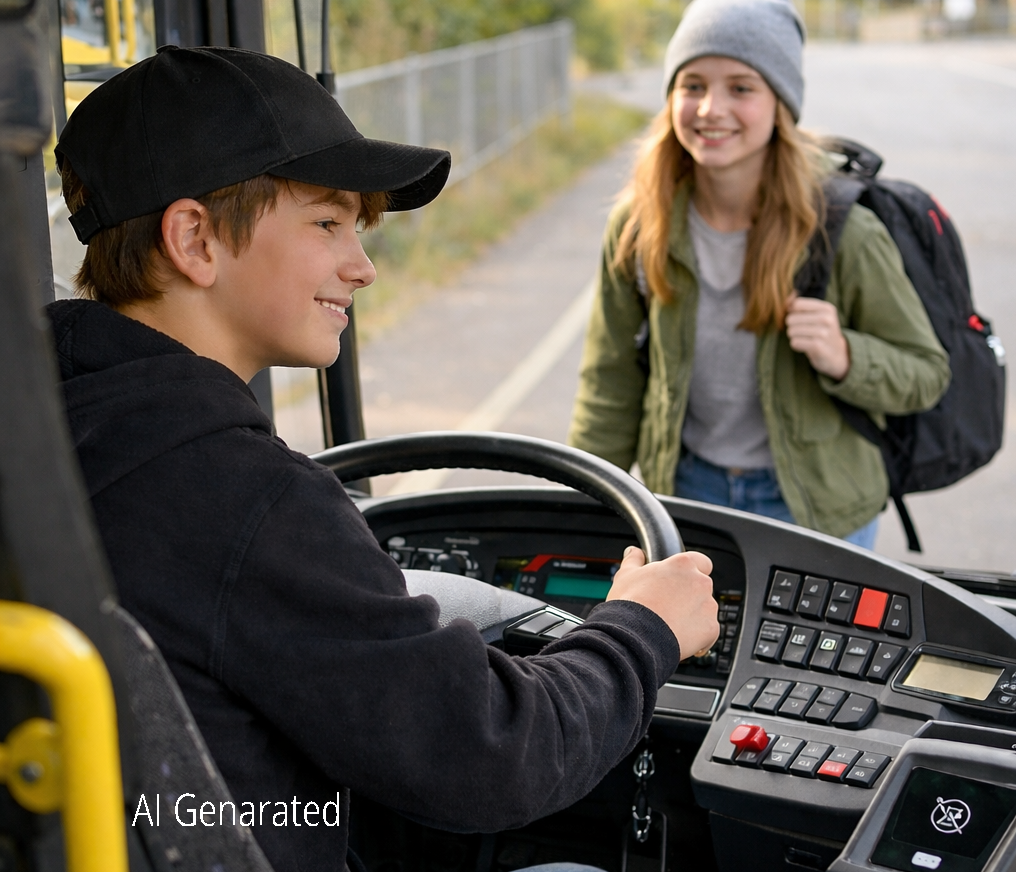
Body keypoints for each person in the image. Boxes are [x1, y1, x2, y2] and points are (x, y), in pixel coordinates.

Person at [48, 46, 720, 872]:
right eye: (327, 223)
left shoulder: (49, 437)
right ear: (193, 238)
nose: (361, 267)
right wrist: (642, 629)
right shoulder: (244, 500)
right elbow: (496, 755)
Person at [567, 0, 950, 550]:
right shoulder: (639, 223)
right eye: (692, 85)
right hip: (685, 496)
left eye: (741, 88)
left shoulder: (843, 230)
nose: (710, 108)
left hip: (818, 507)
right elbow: (609, 383)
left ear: (780, 105)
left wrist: (846, 356)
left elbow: (926, 371)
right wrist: (584, 511)